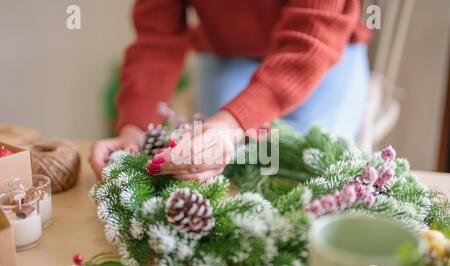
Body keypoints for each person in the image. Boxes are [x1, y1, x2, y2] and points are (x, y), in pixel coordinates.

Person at [90, 0, 371, 181]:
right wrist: (134, 128)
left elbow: (310, 43)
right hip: (229, 50)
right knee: (227, 165)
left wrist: (233, 122)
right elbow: (157, 38)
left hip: (324, 47)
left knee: (311, 163)